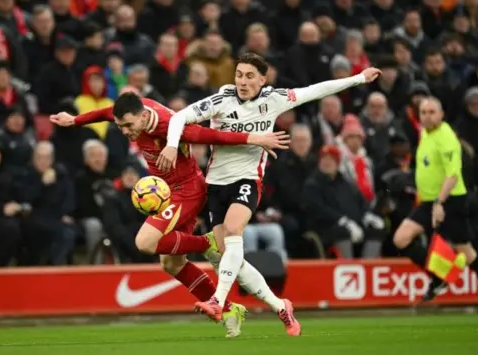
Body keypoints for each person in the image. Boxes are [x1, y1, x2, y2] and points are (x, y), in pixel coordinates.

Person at [158, 52, 382, 335]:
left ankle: (218, 300)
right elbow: (180, 116)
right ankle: (280, 306)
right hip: (216, 185)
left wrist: (359, 78)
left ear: (262, 80)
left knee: (232, 229)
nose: (242, 81)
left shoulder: (274, 99)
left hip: (248, 179)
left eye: (250, 76)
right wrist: (170, 144)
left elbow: (316, 90)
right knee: (227, 255)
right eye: (239, 75)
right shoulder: (221, 101)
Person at [49, 93, 289, 337]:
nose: (124, 131)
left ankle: (206, 242)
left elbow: (211, 135)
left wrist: (254, 138)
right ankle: (229, 310)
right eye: (120, 126)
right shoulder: (131, 111)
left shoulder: (168, 125)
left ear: (143, 117)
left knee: (144, 242)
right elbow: (105, 113)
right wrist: (75, 120)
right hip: (168, 191)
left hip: (187, 190)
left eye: (128, 126)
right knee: (171, 263)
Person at [392, 97, 478, 312]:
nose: (427, 116)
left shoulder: (446, 138)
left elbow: (453, 174)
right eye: (424, 112)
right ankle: (438, 277)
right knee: (401, 238)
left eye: (432, 112)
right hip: (429, 200)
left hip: (449, 201)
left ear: (441, 114)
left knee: (465, 251)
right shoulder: (425, 133)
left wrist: (440, 203)